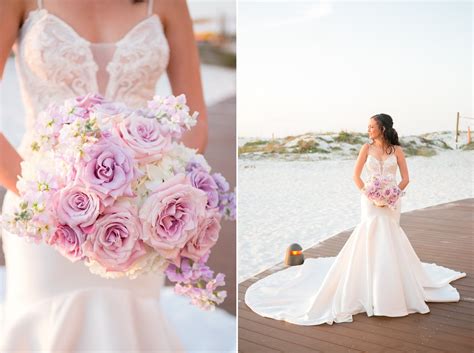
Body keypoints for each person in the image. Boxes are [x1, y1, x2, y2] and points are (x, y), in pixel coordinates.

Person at [0, 0, 234, 351]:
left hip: (139, 221)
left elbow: (195, 118)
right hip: (41, 215)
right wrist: (47, 204)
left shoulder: (168, 3)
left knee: (129, 326)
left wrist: (158, 198)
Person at [245, 114, 466, 326]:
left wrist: (392, 195)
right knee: (370, 233)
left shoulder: (397, 150)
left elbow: (406, 179)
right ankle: (368, 288)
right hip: (369, 201)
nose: (368, 129)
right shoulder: (366, 148)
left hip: (391, 202)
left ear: (383, 129)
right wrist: (370, 195)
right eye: (368, 126)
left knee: (389, 237)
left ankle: (391, 291)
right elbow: (356, 176)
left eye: (372, 126)